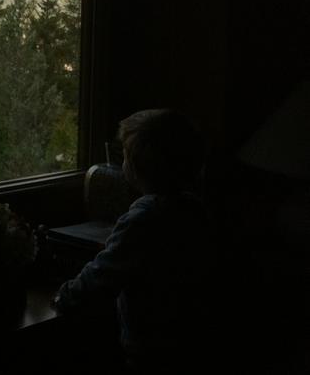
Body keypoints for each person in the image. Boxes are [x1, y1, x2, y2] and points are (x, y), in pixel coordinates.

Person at [54, 109, 215, 372]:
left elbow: (101, 275)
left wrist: (66, 296)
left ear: (138, 167)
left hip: (151, 351)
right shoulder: (194, 210)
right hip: (190, 345)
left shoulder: (144, 219)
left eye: (126, 156)